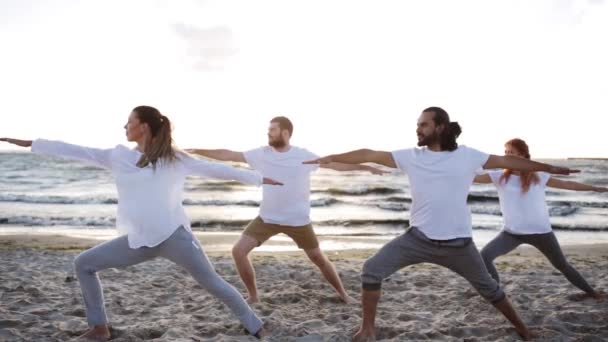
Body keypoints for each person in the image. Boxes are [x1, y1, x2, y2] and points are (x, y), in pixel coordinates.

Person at [1, 106, 282, 341]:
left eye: (130, 121)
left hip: (175, 237)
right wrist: (32, 144)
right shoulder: (119, 156)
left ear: (144, 126)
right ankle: (99, 328)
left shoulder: (175, 159)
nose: (125, 126)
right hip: (139, 240)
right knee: (84, 263)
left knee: (213, 283)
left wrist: (258, 179)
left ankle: (256, 326)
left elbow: (217, 170)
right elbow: (77, 150)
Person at [304, 107, 579, 341]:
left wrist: (549, 168)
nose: (418, 130)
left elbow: (509, 160)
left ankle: (524, 330)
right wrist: (333, 157)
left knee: (490, 290)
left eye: (424, 125)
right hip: (417, 239)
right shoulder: (412, 156)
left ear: (440, 127)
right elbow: (370, 153)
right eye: (417, 125)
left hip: (458, 245)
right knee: (371, 270)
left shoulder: (468, 156)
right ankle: (368, 329)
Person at [187, 116, 385, 304]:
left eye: (273, 130)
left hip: (298, 221)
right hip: (267, 219)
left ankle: (343, 294)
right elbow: (228, 154)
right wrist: (197, 150)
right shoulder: (261, 154)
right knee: (238, 252)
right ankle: (253, 296)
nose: (269, 133)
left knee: (319, 259)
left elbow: (335, 165)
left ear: (286, 133)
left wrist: (365, 167)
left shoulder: (303, 156)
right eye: (268, 130)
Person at [474, 138, 607, 300]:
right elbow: (471, 177)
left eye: (511, 152)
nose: (507, 156)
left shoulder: (539, 176)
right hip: (511, 233)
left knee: (562, 265)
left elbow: (568, 185)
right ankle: (496, 292)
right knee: (485, 256)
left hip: (542, 233)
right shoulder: (498, 176)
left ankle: (592, 293)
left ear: (522, 155)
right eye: (506, 152)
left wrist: (594, 188)